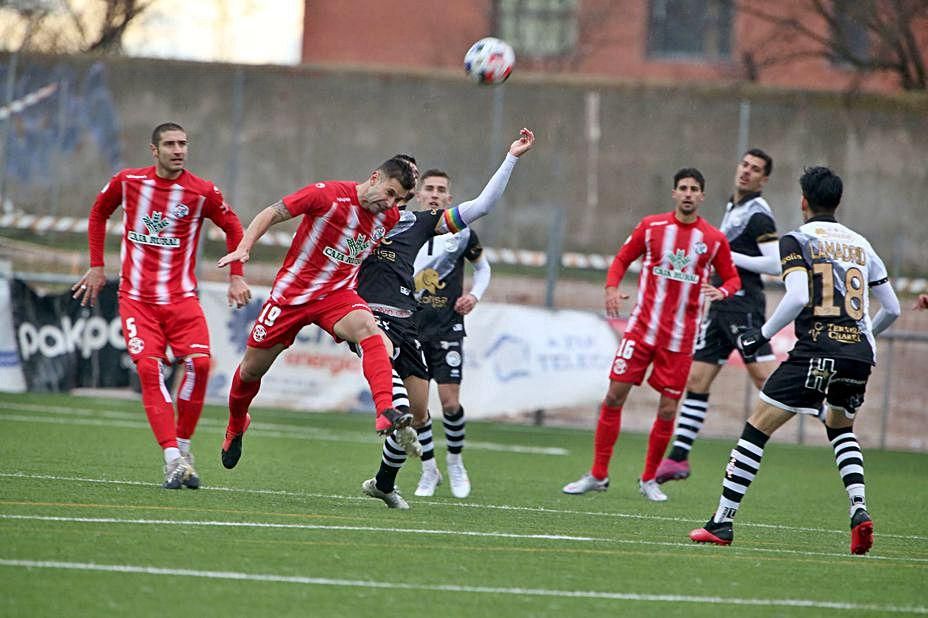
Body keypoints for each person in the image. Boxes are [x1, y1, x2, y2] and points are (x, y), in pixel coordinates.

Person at [689, 166, 901, 555]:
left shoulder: (797, 239)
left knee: (756, 429)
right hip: (858, 355)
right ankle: (859, 510)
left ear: (803, 201)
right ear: (838, 201)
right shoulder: (861, 244)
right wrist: (863, 335)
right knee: (840, 429)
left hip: (816, 351)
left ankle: (722, 521)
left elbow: (799, 296)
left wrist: (764, 334)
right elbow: (892, 308)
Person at [357, 129, 535, 509]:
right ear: (384, 180)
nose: (409, 183)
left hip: (409, 322)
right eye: (405, 176)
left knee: (424, 413)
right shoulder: (359, 215)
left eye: (412, 177)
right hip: (367, 316)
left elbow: (483, 206)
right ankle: (394, 413)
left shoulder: (421, 223)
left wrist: (512, 157)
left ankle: (385, 482)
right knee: (395, 388)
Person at [72, 122, 252, 489]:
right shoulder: (129, 182)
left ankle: (183, 448)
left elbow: (234, 226)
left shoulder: (202, 191)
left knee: (200, 365)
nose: (178, 150)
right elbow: (98, 213)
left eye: (183, 143)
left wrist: (237, 274)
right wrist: (96, 265)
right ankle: (171, 457)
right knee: (150, 370)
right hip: (137, 300)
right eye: (170, 144)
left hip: (182, 300)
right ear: (153, 150)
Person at [216, 156, 418, 471]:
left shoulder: (388, 217)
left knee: (368, 328)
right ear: (375, 177)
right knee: (250, 372)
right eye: (390, 193)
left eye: (398, 199)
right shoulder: (327, 194)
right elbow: (273, 212)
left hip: (336, 296)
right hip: (291, 297)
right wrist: (245, 246)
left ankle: (385, 410)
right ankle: (236, 424)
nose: (391, 203)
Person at [563, 168, 740, 502]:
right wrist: (611, 288)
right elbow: (621, 259)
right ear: (674, 193)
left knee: (667, 411)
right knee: (614, 396)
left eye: (694, 189)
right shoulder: (652, 227)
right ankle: (598, 475)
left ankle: (648, 479)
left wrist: (723, 293)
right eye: (683, 188)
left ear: (702, 197)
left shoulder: (713, 240)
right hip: (641, 331)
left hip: (680, 340)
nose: (688, 194)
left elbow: (732, 279)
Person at [656, 149, 781, 484]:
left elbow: (776, 264)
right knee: (696, 381)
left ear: (764, 179)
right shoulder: (734, 206)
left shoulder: (758, 215)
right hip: (722, 305)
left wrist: (728, 255)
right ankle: (678, 458)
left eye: (755, 169)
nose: (747, 172)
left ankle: (830, 419)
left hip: (743, 306)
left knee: (766, 381)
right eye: (744, 164)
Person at [410, 170, 492, 498]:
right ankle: (429, 470)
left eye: (440, 190)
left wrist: (474, 295)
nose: (433, 194)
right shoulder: (404, 228)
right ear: (417, 194)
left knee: (450, 403)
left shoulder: (461, 234)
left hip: (448, 328)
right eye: (428, 188)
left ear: (449, 199)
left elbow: (484, 268)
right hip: (410, 329)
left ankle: (455, 463)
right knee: (417, 410)